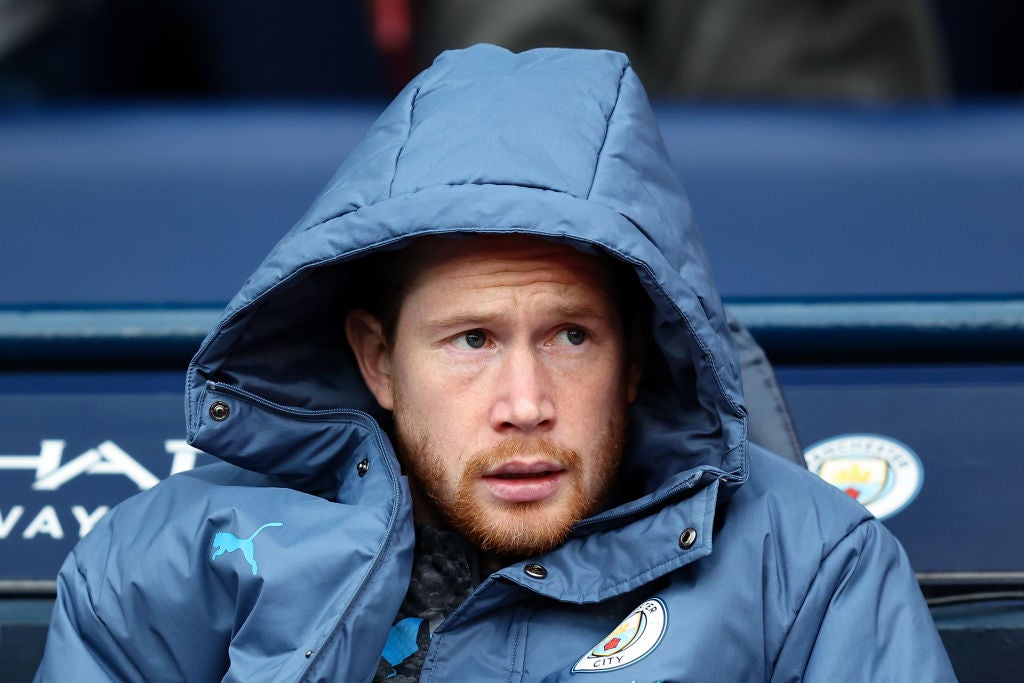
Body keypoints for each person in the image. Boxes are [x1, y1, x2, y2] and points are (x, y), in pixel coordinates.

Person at [35, 44, 955, 681]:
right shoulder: (154, 574)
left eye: (571, 336)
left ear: (637, 357)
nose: (525, 403)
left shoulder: (810, 567)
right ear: (378, 360)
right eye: (472, 340)